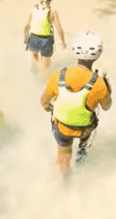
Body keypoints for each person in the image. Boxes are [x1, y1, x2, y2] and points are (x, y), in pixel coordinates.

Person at [40, 31, 112, 180]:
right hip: (84, 129)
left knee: (64, 156)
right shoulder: (100, 83)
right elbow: (106, 107)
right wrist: (108, 87)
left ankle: (65, 182)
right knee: (91, 121)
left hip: (62, 128)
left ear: (75, 51)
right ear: (98, 55)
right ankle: (82, 150)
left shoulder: (58, 76)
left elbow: (43, 101)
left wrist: (46, 107)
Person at [23, 0, 65, 74]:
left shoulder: (33, 9)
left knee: (34, 61)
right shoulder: (52, 11)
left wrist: (25, 37)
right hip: (46, 40)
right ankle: (44, 84)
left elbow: (26, 26)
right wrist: (62, 41)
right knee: (45, 68)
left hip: (33, 38)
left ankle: (33, 79)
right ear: (51, 0)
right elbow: (59, 28)